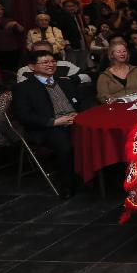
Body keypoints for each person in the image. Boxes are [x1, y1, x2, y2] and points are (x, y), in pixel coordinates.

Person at [12, 49, 85, 198]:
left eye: (52, 61)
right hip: (46, 128)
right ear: (32, 67)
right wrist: (55, 121)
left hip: (74, 121)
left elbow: (80, 103)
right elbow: (23, 115)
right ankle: (68, 186)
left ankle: (94, 177)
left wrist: (79, 114)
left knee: (95, 134)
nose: (51, 65)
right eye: (45, 62)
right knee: (66, 144)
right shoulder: (23, 88)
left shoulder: (65, 81)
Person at [16, 41, 91, 86]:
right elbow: (25, 88)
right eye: (39, 54)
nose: (44, 56)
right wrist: (62, 81)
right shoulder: (24, 71)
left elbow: (86, 77)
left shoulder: (64, 65)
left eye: (47, 53)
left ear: (52, 53)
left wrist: (69, 80)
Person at [0, 3, 24, 71]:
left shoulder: (9, 20)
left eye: (0, 9)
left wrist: (16, 23)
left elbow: (22, 30)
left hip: (12, 50)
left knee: (13, 71)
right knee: (0, 72)